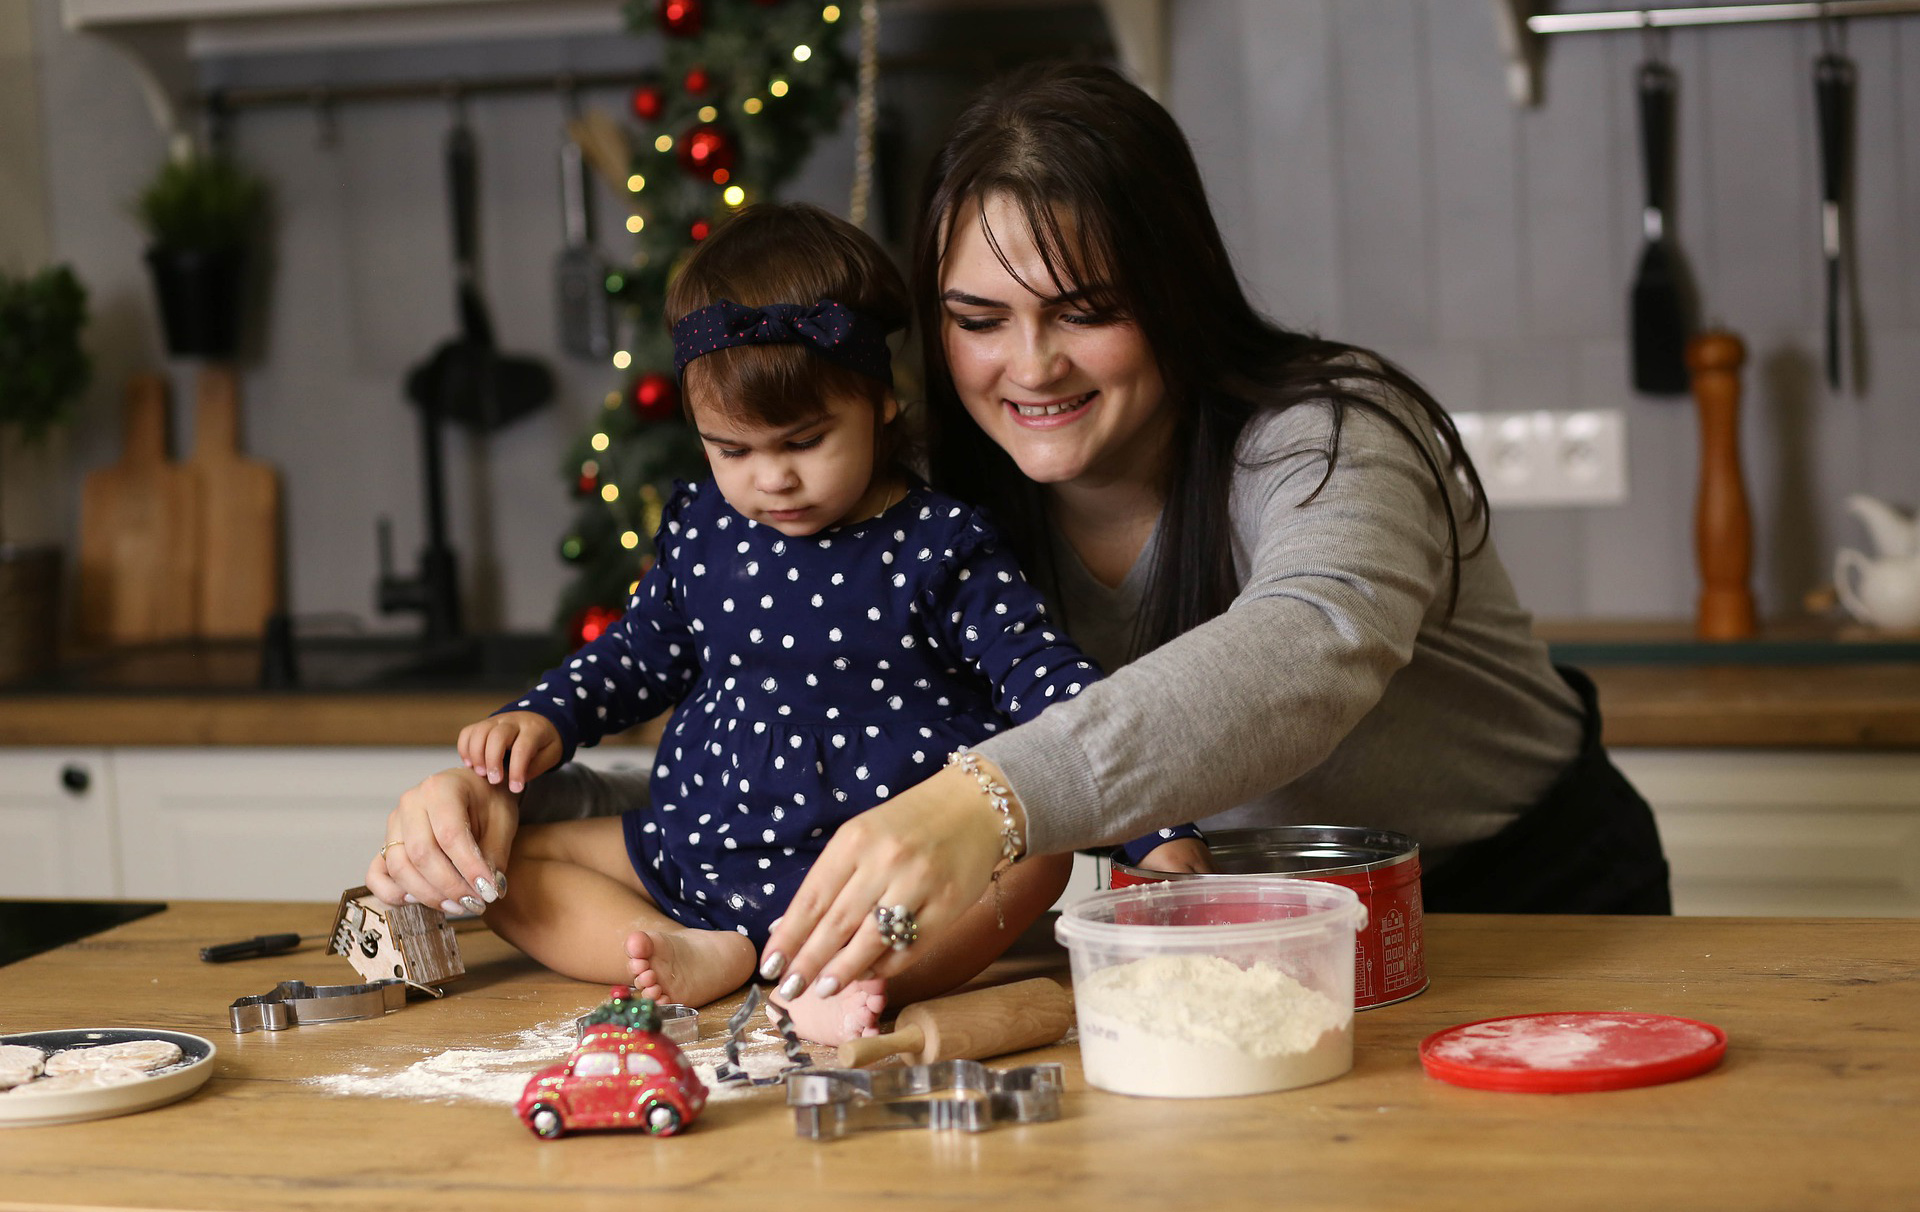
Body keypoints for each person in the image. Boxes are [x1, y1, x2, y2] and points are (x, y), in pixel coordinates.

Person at [750, 62, 1671, 1004]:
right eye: (980, 320)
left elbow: (1315, 643)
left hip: (1522, 906)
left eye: (1087, 311)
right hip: (1240, 944)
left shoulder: (1335, 429)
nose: (1031, 366)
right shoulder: (926, 507)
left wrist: (986, 797)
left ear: (1176, 290)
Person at [365, 201, 1204, 1045]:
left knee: (1038, 862)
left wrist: (1156, 828)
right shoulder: (702, 527)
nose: (771, 480)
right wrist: (546, 714)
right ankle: (696, 953)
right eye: (732, 450)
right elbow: (638, 652)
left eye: (803, 442)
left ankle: (840, 982)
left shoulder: (942, 544)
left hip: (881, 880)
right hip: (702, 846)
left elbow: (1049, 685)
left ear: (878, 399)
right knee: (513, 872)